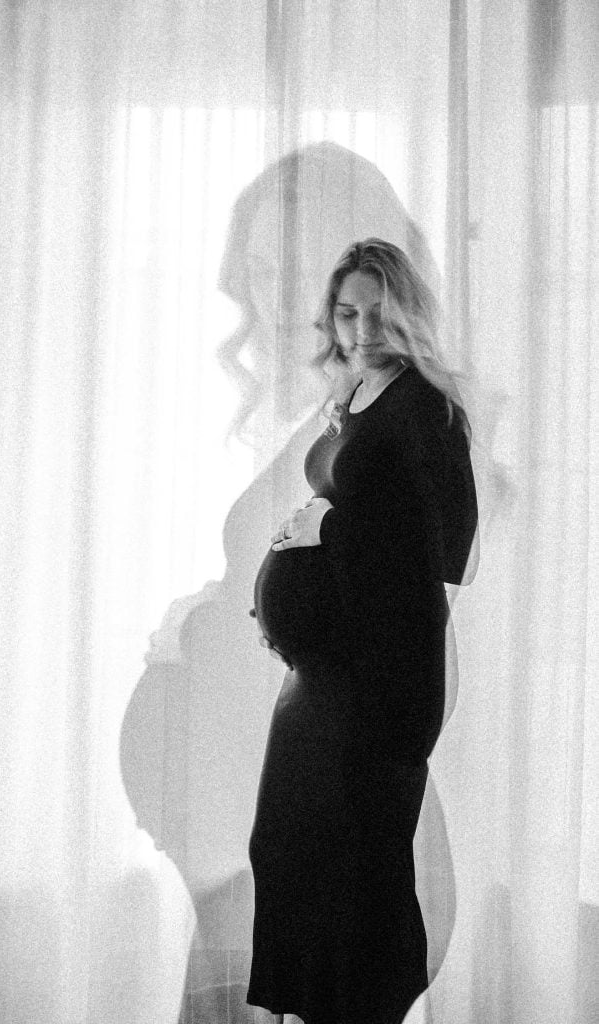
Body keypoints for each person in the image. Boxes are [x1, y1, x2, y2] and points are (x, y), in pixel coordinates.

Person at [247, 238, 479, 1024]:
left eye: (379, 313)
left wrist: (328, 532)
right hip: (322, 674)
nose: (362, 329)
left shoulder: (424, 408)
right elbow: (362, 511)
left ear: (406, 314)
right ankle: (309, 1010)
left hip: (380, 678)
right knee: (285, 849)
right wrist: (286, 590)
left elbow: (445, 548)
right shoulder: (355, 396)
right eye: (347, 313)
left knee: (355, 866)